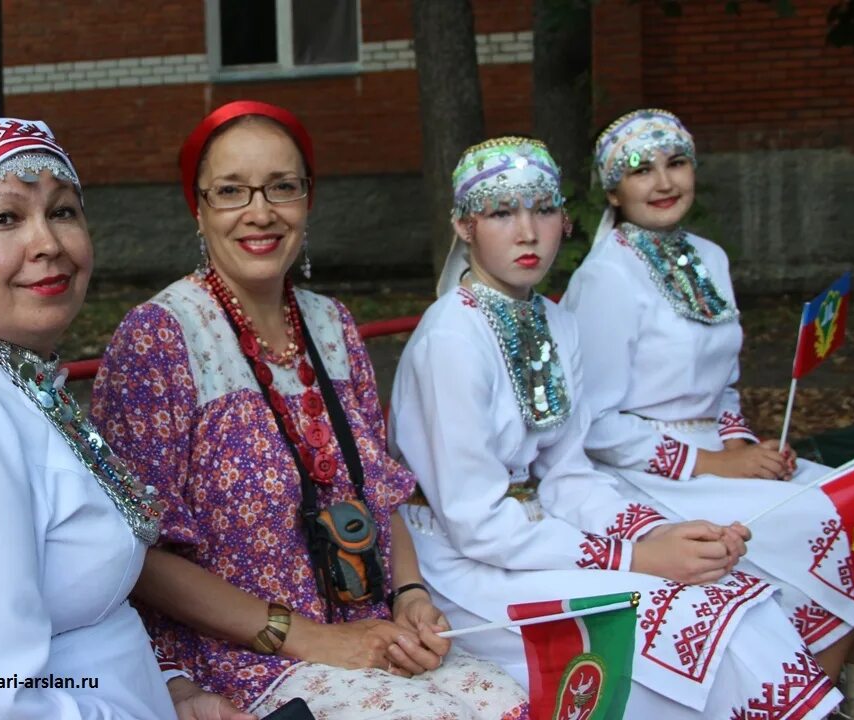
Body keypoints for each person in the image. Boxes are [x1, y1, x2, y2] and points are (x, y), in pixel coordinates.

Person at [91, 101, 529, 719]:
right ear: (198, 207)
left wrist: (410, 595)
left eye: (282, 187)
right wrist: (311, 639)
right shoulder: (159, 338)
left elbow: (379, 491)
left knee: (516, 703)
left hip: (368, 628)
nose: (260, 212)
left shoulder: (333, 324)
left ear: (308, 199)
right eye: (231, 191)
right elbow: (139, 556)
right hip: (240, 654)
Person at [388, 135, 842, 718]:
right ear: (464, 226)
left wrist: (660, 535)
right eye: (501, 213)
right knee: (703, 624)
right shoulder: (452, 340)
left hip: (533, 534)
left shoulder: (555, 322)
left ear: (564, 220)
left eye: (543, 210)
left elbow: (568, 473)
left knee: (736, 599)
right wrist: (638, 559)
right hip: (462, 562)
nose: (527, 233)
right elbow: (477, 523)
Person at [0, 117, 246, 720]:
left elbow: (78, 612)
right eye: (4, 218)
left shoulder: (8, 371)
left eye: (62, 211)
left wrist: (170, 691)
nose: (47, 244)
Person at [560, 108, 854, 707]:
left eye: (676, 163)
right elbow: (594, 425)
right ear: (613, 192)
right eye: (641, 171)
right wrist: (713, 464)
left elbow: (724, 384)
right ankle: (817, 700)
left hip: (717, 459)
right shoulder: (605, 278)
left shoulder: (709, 256)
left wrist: (741, 445)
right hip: (644, 470)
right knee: (823, 523)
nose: (663, 182)